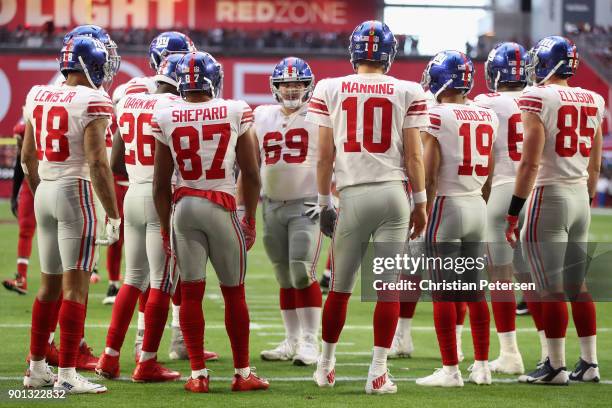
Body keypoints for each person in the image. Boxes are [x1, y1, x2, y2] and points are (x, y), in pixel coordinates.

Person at [306, 20, 428, 394]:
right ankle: (377, 372)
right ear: (388, 54)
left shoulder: (330, 87)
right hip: (394, 195)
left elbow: (324, 156)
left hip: (353, 195)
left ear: (354, 51)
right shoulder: (408, 89)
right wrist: (420, 202)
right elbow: (414, 155)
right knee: (388, 288)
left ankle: (325, 366)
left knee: (339, 288)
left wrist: (324, 202)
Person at [152, 51, 269, 393]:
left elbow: (160, 185)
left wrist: (163, 227)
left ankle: (198, 375)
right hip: (220, 206)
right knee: (234, 294)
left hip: (184, 207)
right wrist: (250, 219)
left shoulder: (166, 113)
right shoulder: (235, 109)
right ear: (212, 79)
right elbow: (251, 173)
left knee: (190, 293)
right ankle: (242, 372)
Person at [22, 36, 120, 394]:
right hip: (74, 191)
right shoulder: (94, 99)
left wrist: (41, 192)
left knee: (48, 286)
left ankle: (35, 368)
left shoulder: (37, 94)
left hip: (45, 190)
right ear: (92, 66)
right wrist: (112, 213)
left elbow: (27, 157)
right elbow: (97, 161)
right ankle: (65, 372)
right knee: (75, 289)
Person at [506, 36, 605, 384]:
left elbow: (529, 163)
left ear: (548, 62)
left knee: (549, 288)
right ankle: (589, 363)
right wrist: (586, 199)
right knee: (577, 286)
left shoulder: (537, 96)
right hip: (580, 196)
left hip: (549, 195)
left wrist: (512, 211)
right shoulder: (594, 98)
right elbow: (595, 165)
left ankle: (555, 366)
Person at [95, 54, 185, 382]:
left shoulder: (130, 102)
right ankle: (146, 362)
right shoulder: (178, 106)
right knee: (161, 282)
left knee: (132, 279)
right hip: (163, 198)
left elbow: (115, 161)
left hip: (132, 193)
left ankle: (109, 356)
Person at [417, 50, 498, 387]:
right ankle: (482, 367)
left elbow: (430, 174)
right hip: (477, 204)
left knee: (444, 291)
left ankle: (450, 370)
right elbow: (491, 175)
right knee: (475, 291)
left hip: (446, 205)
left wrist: (422, 210)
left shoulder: (435, 115)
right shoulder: (487, 115)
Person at [254, 57, 322, 366]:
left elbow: (333, 158)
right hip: (270, 205)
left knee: (301, 270)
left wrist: (328, 199)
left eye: (298, 84)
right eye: (286, 84)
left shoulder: (320, 115)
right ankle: (291, 340)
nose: (291, 89)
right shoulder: (261, 116)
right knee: (283, 274)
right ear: (275, 87)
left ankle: (310, 341)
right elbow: (251, 162)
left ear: (308, 87)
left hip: (306, 204)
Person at [473, 42, 529, 375]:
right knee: (538, 276)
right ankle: (556, 357)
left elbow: (484, 155)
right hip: (539, 192)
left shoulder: (485, 102)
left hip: (503, 187)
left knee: (500, 276)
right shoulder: (542, 96)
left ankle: (510, 352)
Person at [3, 117, 36, 296]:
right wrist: (15, 194)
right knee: (25, 230)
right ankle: (21, 278)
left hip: (57, 182)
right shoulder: (25, 125)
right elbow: (21, 160)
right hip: (31, 184)